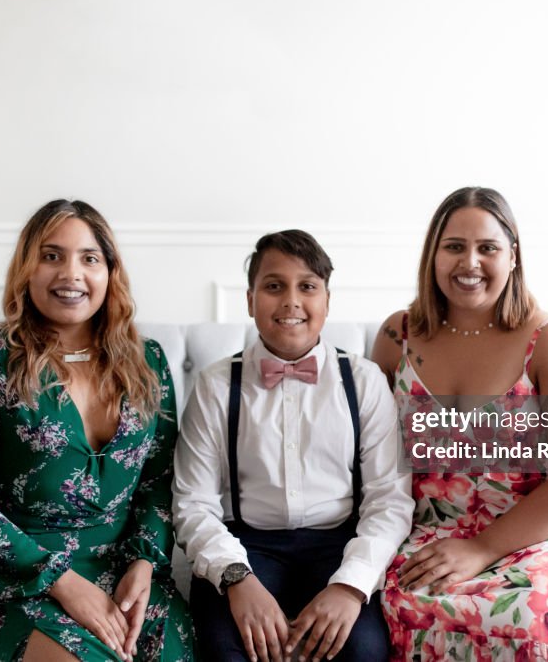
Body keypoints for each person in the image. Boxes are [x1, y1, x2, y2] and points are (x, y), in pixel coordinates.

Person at [372, 188, 548, 661]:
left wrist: (482, 547)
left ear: (513, 256)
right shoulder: (398, 336)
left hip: (544, 527)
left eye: (487, 247)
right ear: (433, 255)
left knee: (538, 620)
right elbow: (369, 453)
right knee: (401, 603)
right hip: (432, 531)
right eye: (453, 246)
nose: (469, 262)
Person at [0, 199, 193, 662]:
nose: (71, 273)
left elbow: (158, 483)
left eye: (89, 258)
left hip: (120, 569)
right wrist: (62, 582)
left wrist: (145, 561)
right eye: (52, 256)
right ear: (26, 268)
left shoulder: (147, 361)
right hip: (11, 572)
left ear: (110, 272)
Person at [173, 230, 414, 662]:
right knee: (228, 650)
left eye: (307, 286)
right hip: (246, 546)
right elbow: (193, 503)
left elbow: (389, 500)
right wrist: (236, 579)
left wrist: (349, 586)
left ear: (326, 300)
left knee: (364, 650)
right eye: (273, 286)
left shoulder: (364, 381)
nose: (290, 301)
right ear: (249, 300)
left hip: (339, 544)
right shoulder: (214, 386)